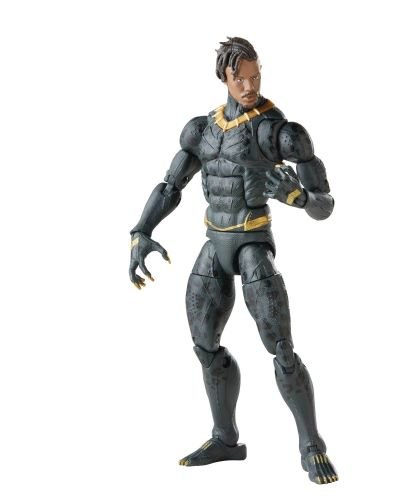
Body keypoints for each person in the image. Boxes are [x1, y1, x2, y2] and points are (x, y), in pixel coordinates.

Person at [129, 37, 337, 485]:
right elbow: (171, 186)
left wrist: (299, 198)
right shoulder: (201, 130)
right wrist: (141, 230)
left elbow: (325, 205)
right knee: (204, 345)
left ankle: (312, 446)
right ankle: (225, 439)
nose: (249, 85)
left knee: (281, 348)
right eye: (240, 78)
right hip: (214, 242)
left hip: (253, 242)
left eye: (255, 75)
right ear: (224, 77)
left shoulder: (279, 133)